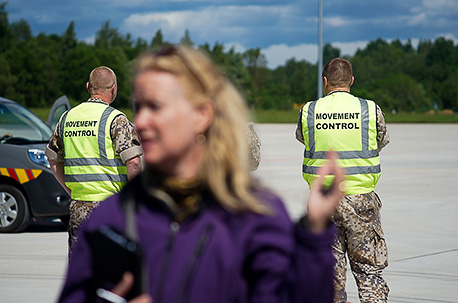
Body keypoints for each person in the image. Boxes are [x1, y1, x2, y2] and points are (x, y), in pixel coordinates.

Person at [57, 45, 346, 303]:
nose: (141, 121)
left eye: (156, 106)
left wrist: (314, 235)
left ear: (201, 115)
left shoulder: (256, 216)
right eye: (139, 107)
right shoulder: (112, 220)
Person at [295, 58, 390, 303]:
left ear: (325, 82)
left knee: (330, 276)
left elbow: (303, 138)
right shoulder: (370, 109)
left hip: (323, 201)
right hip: (361, 202)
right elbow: (380, 141)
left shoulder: (309, 110)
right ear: (351, 81)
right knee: (368, 271)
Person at [46, 66, 143, 256]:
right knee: (112, 271)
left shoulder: (67, 117)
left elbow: (53, 159)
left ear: (88, 86)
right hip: (111, 208)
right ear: (113, 88)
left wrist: (71, 190)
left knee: (81, 270)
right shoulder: (116, 119)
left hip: (78, 208)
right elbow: (134, 163)